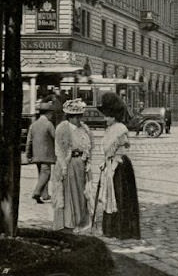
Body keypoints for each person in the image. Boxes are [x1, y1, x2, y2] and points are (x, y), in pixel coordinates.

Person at [98, 92, 141, 239]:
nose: (105, 119)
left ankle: (122, 229)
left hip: (120, 167)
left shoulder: (120, 128)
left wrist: (109, 156)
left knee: (120, 197)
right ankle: (111, 229)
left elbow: (118, 147)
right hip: (112, 165)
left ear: (114, 116)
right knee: (112, 196)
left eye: (107, 116)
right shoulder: (110, 129)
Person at [50, 99, 94, 233]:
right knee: (68, 193)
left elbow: (89, 146)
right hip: (68, 164)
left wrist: (88, 161)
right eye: (75, 117)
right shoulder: (63, 129)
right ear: (69, 117)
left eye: (80, 116)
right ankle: (67, 222)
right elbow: (59, 150)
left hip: (80, 163)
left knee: (81, 193)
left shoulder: (84, 129)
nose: (78, 119)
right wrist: (63, 167)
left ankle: (79, 220)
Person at [26, 99, 56, 203]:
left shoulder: (33, 125)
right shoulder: (49, 124)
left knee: (41, 174)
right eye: (51, 113)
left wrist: (28, 155)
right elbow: (55, 137)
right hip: (46, 155)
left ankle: (45, 195)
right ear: (48, 113)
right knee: (46, 174)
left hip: (36, 155)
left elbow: (29, 141)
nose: (52, 115)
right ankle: (37, 192)